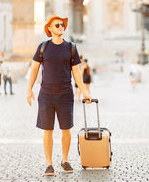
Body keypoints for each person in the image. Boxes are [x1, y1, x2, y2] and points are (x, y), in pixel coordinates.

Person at [26, 14, 91, 177]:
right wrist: (29, 90)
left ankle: (65, 159)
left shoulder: (71, 47)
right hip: (46, 95)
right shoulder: (43, 47)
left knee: (66, 129)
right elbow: (34, 70)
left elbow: (76, 72)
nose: (61, 27)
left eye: (62, 25)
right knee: (47, 130)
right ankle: (49, 163)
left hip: (65, 94)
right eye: (57, 25)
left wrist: (84, 92)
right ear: (49, 28)